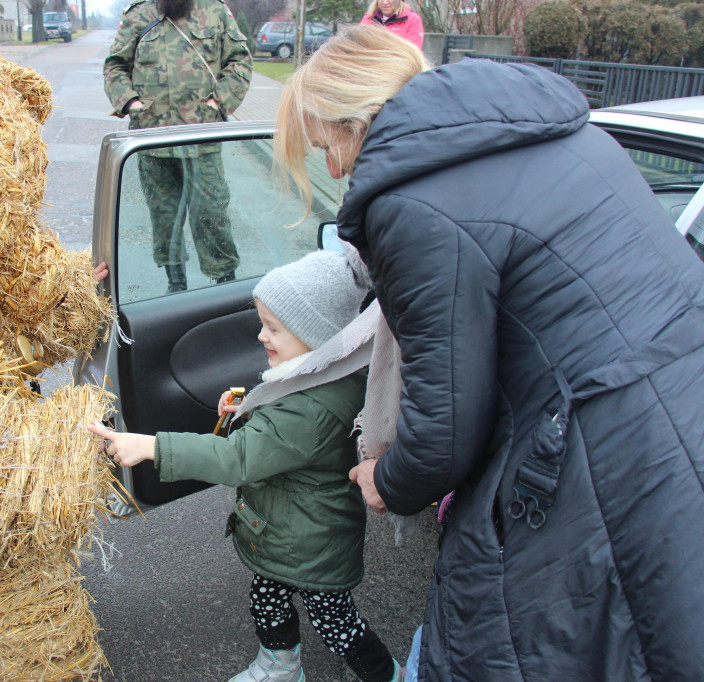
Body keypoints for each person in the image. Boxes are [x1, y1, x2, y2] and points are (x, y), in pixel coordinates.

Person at [273, 26, 704, 681]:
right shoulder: (564, 136)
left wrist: (386, 482)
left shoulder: (413, 204)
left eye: (325, 143)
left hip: (594, 464)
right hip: (677, 416)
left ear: (358, 120)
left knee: (495, 641)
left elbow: (446, 425)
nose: (332, 168)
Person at [90, 250, 404, 682]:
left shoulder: (308, 411)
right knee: (267, 597)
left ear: (317, 335)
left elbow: (239, 458)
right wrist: (245, 411)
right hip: (288, 532)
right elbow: (274, 426)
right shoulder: (326, 374)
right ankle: (279, 665)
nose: (261, 336)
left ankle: (386, 674)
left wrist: (151, 447)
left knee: (336, 625)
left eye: (273, 328)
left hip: (310, 547)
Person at [103, 0, 251, 294]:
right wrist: (131, 103)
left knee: (212, 216)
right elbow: (115, 65)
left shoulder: (214, 11)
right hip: (153, 142)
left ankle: (225, 288)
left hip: (202, 141)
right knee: (164, 220)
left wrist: (218, 101)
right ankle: (176, 286)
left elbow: (240, 60)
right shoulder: (140, 14)